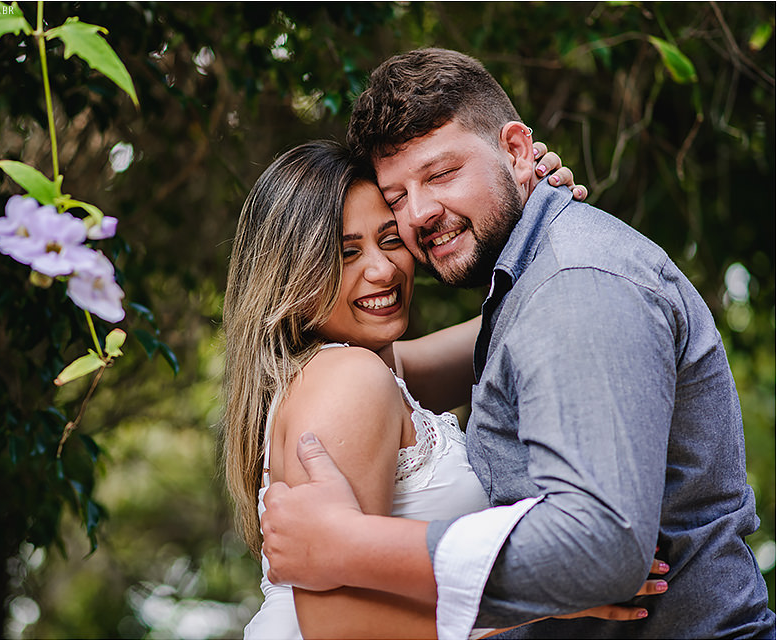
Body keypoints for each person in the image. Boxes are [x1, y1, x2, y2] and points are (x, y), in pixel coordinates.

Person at [260, 48, 776, 639]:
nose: (419, 214)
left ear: (515, 149)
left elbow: (600, 551)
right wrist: (529, 193)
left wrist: (351, 542)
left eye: (441, 173)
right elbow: (410, 371)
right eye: (397, 197)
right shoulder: (530, 294)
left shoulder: (572, 285)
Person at [223, 140, 666, 639]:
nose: (383, 269)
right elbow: (336, 630)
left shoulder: (372, 370)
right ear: (290, 274)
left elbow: (531, 312)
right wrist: (551, 599)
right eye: (347, 253)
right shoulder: (349, 380)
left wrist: (526, 200)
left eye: (390, 239)